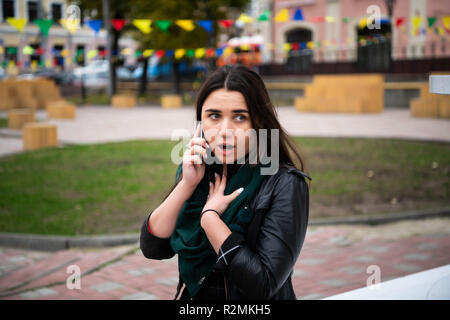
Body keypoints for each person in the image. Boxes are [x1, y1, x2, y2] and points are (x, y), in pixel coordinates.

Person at [140, 64, 311, 300]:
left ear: (259, 122)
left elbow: (263, 284)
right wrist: (186, 185)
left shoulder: (284, 184)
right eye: (214, 116)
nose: (224, 131)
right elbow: (153, 247)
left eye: (240, 117)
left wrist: (210, 219)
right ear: (200, 122)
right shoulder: (199, 171)